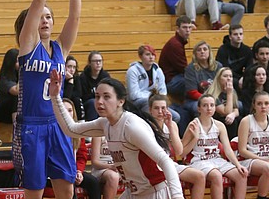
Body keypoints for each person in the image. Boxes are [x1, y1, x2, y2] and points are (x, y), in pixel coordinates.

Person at [12, 0, 86, 199]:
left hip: (58, 125)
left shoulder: (60, 49)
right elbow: (36, 1)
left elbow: (75, 17)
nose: (44, 20)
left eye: (49, 16)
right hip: (31, 127)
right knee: (35, 192)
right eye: (40, 17)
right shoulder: (28, 46)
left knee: (67, 190)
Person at [49, 72, 185, 199]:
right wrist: (55, 97)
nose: (100, 101)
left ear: (121, 101)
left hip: (155, 192)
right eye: (97, 96)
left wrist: (177, 196)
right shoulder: (105, 123)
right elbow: (71, 129)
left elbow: (165, 161)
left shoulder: (132, 126)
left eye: (106, 97)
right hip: (134, 192)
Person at [181, 94, 248, 199]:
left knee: (242, 176)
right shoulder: (193, 125)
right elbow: (182, 153)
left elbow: (228, 149)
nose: (209, 108)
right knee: (216, 175)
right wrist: (195, 138)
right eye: (205, 105)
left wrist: (238, 165)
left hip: (216, 160)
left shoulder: (219, 125)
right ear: (199, 108)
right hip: (198, 161)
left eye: (212, 105)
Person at [148, 93, 206, 199]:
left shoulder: (172, 124)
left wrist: (170, 126)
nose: (160, 111)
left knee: (199, 176)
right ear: (150, 110)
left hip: (169, 164)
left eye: (163, 108)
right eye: (156, 108)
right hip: (153, 166)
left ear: (168, 109)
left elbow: (179, 151)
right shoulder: (145, 126)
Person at [238, 91, 269, 199]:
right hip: (250, 158)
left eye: (266, 103)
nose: (263, 106)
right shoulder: (246, 121)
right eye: (259, 103)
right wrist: (262, 159)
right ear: (254, 105)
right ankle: (261, 197)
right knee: (268, 168)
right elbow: (242, 150)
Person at [126, 45, 180, 123]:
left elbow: (163, 92)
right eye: (147, 54)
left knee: (176, 117)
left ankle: (165, 133)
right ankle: (153, 130)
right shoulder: (133, 71)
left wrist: (157, 99)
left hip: (156, 100)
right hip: (137, 102)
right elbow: (133, 95)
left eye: (153, 54)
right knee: (147, 105)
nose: (151, 57)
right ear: (140, 56)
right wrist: (151, 97)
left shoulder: (158, 70)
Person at [63, 98, 101, 199]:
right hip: (56, 173)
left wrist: (79, 171)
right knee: (69, 182)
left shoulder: (77, 132)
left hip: (74, 170)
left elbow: (81, 157)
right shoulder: (51, 131)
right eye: (64, 110)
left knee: (93, 182)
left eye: (70, 110)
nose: (67, 113)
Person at [183, 41, 223, 122]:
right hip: (196, 100)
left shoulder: (218, 66)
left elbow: (223, 86)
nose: (202, 52)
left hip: (217, 98)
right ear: (195, 54)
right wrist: (209, 102)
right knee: (198, 107)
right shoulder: (190, 69)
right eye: (199, 50)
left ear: (209, 52)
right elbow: (192, 92)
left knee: (238, 105)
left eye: (205, 49)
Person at [159, 15, 193, 101]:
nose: (188, 30)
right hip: (170, 81)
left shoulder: (177, 42)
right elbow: (183, 69)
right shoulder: (175, 45)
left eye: (190, 27)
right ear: (177, 29)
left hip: (175, 77)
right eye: (184, 27)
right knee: (193, 80)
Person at [205, 67, 242, 140]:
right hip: (213, 118)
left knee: (240, 119)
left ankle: (236, 143)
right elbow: (226, 112)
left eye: (230, 76)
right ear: (219, 79)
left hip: (225, 118)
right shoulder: (213, 93)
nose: (228, 78)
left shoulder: (232, 90)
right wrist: (229, 93)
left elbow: (236, 109)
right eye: (225, 76)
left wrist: (233, 114)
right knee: (232, 122)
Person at [216, 24, 253, 95]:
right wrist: (238, 79)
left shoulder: (247, 50)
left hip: (241, 78)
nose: (239, 36)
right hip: (226, 77)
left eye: (241, 34)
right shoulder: (223, 49)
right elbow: (222, 69)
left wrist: (243, 78)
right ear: (230, 37)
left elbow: (249, 68)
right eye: (235, 34)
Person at [80, 51, 110, 121]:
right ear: (90, 63)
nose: (98, 63)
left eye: (100, 61)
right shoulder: (83, 77)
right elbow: (83, 96)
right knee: (93, 102)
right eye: (95, 61)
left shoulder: (105, 76)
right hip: (88, 103)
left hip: (102, 101)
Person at [0, 48, 19, 124]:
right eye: (18, 61)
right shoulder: (4, 79)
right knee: (17, 97)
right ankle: (16, 127)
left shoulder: (17, 75)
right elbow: (16, 91)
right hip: (3, 112)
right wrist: (23, 73)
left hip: (16, 110)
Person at [63, 55, 85, 121]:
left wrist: (71, 79)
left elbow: (79, 94)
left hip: (73, 101)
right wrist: (70, 82)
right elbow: (65, 97)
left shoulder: (76, 77)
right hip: (62, 102)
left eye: (74, 67)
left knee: (77, 100)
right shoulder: (60, 78)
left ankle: (81, 121)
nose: (72, 69)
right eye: (69, 66)